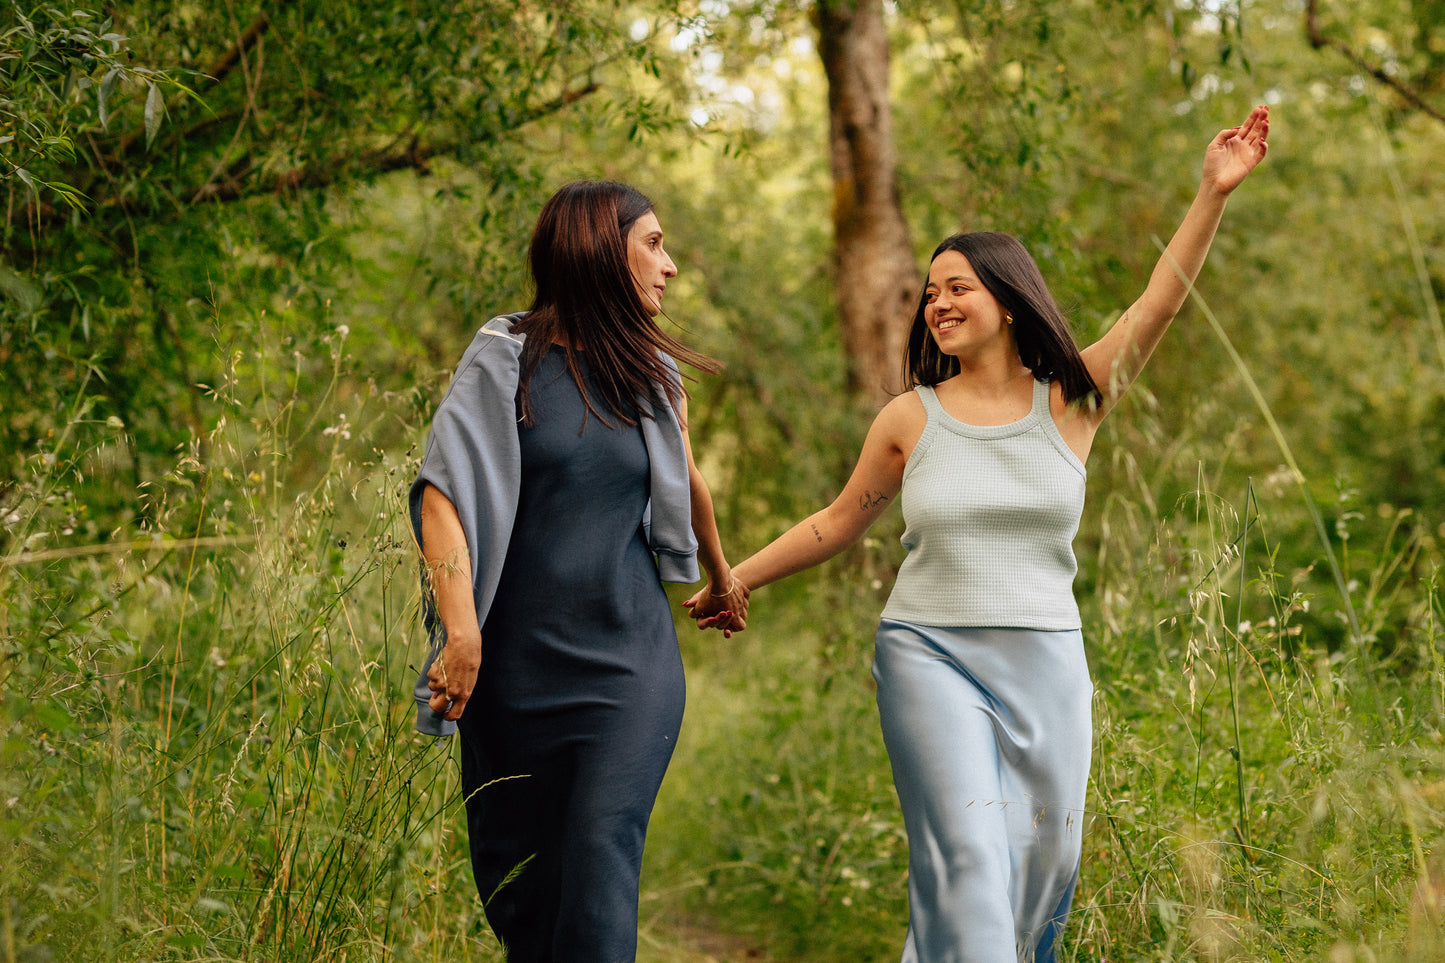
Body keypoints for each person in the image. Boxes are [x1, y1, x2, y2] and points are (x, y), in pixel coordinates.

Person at [685, 106, 1270, 962]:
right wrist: (734, 577)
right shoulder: (907, 419)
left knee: (1043, 867)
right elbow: (837, 520)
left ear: (1007, 296)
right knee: (966, 861)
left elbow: (1160, 301)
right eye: (928, 291)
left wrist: (1210, 192)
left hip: (1047, 662)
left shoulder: (1073, 398)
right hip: (928, 652)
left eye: (956, 285)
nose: (936, 302)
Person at [409, 180, 749, 962]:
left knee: (598, 871)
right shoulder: (504, 360)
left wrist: (722, 571)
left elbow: (686, 475)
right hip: (513, 677)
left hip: (629, 666)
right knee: (524, 898)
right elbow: (441, 496)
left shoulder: (651, 373)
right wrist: (460, 633)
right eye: (654, 243)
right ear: (602, 245)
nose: (670, 266)